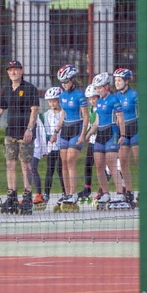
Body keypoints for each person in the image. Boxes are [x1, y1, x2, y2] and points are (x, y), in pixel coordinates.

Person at [0, 60, 40, 214]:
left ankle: (27, 197)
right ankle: (12, 196)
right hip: (10, 133)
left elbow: (34, 111)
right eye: (10, 70)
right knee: (10, 164)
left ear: (22, 71)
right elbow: (0, 109)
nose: (13, 72)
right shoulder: (7, 89)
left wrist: (29, 129)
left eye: (16, 69)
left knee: (25, 165)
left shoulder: (29, 88)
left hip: (24, 133)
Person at [91, 73, 131, 209]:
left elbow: (120, 118)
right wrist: (86, 135)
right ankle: (105, 193)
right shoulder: (99, 101)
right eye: (96, 88)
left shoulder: (114, 99)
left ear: (107, 87)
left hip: (111, 132)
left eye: (100, 88)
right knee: (98, 165)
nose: (98, 91)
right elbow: (96, 122)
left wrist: (123, 134)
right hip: (100, 133)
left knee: (111, 163)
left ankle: (120, 193)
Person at [52, 64, 88, 212]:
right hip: (65, 129)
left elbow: (85, 116)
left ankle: (73, 193)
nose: (64, 84)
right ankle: (67, 193)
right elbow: (63, 114)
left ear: (73, 80)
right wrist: (56, 131)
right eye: (62, 82)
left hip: (77, 128)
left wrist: (82, 135)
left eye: (66, 81)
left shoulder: (79, 94)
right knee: (64, 163)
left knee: (71, 160)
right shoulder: (62, 95)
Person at [113, 68, 137, 204]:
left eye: (119, 80)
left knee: (139, 161)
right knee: (123, 163)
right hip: (122, 132)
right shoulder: (115, 96)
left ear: (127, 80)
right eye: (115, 80)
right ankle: (129, 191)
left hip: (135, 129)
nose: (117, 83)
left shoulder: (134, 94)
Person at [41, 87, 65, 205]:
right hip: (51, 147)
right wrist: (46, 140)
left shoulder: (63, 113)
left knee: (61, 170)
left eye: (54, 100)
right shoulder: (47, 115)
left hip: (62, 145)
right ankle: (46, 194)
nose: (52, 103)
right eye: (50, 101)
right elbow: (45, 129)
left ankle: (65, 193)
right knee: (49, 170)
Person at [78, 84, 98, 202]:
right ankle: (87, 188)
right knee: (88, 164)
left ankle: (103, 190)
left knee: (105, 167)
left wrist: (88, 133)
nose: (92, 101)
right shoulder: (91, 109)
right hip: (92, 140)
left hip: (100, 139)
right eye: (90, 99)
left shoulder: (100, 108)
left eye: (94, 98)